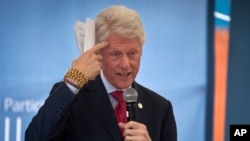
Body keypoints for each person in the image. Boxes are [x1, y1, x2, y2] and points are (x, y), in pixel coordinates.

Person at [25, 5, 177, 141]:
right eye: (115, 54)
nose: (125, 65)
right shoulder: (73, 96)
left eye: (132, 53)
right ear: (98, 53)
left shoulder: (160, 108)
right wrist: (74, 81)